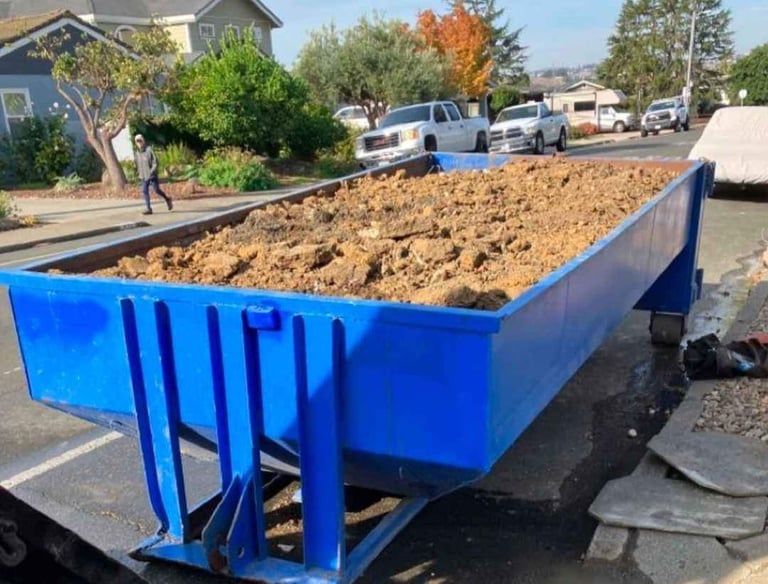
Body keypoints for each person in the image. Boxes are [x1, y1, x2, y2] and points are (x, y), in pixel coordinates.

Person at [134, 134, 173, 215]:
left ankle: (167, 199)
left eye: (140, 141)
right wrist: (138, 173)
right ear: (136, 143)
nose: (139, 143)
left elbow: (155, 163)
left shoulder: (149, 150)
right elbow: (137, 164)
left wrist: (151, 172)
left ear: (143, 141)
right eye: (137, 141)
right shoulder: (137, 153)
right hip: (143, 176)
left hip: (152, 175)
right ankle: (148, 209)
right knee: (145, 191)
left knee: (156, 190)